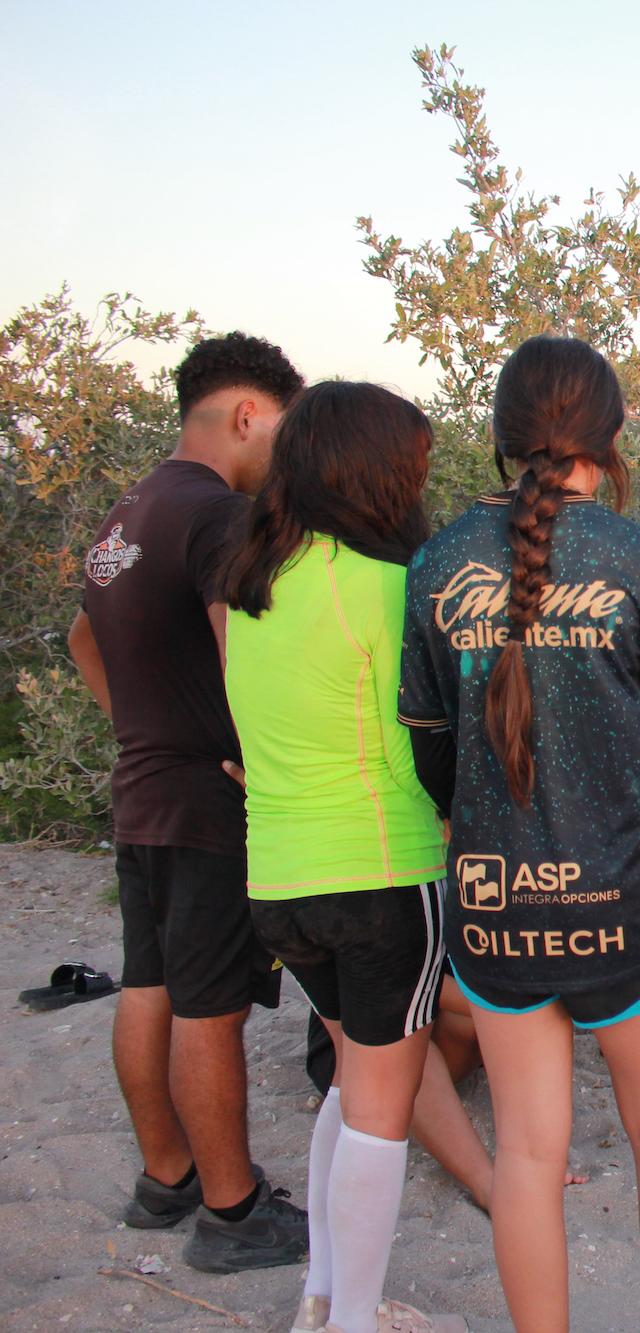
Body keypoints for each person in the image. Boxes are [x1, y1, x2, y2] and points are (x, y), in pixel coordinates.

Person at [399, 335, 640, 1332]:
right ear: (610, 440)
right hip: (626, 895)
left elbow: (432, 758)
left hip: (496, 903)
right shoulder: (638, 557)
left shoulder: (437, 562)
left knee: (528, 1153)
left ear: (497, 436)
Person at [219, 380, 461, 1333]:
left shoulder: (253, 588)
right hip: (383, 876)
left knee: (355, 1081)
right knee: (381, 1114)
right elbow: (422, 749)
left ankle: (322, 1295)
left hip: (278, 879)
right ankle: (354, 1320)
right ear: (377, 473)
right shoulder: (391, 586)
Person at [68, 332, 309, 1272]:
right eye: (279, 431)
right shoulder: (215, 515)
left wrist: (141, 727)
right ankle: (231, 1208)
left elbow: (84, 639)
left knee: (149, 981)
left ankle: (164, 1175)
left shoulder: (126, 516)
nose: (279, 454)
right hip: (208, 796)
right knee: (211, 1005)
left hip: (142, 786)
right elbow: (235, 647)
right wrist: (258, 756)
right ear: (248, 413)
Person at [304, 980, 591, 1211]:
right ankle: (488, 1186)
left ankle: (532, 1154)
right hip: (360, 1042)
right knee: (403, 1046)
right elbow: (397, 983)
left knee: (497, 1008)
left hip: (434, 1015)